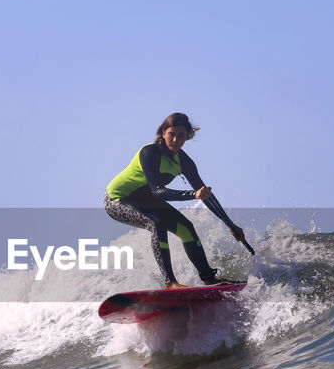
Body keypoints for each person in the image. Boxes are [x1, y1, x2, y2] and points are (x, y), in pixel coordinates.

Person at [104, 112, 248, 289]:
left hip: (145, 199)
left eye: (180, 135)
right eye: (171, 134)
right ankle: (170, 283)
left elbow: (204, 194)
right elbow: (158, 191)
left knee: (187, 228)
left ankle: (209, 278)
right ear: (163, 132)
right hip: (118, 199)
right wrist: (192, 194)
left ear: (187, 136)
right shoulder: (149, 153)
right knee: (155, 222)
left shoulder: (185, 162)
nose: (175, 140)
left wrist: (230, 224)